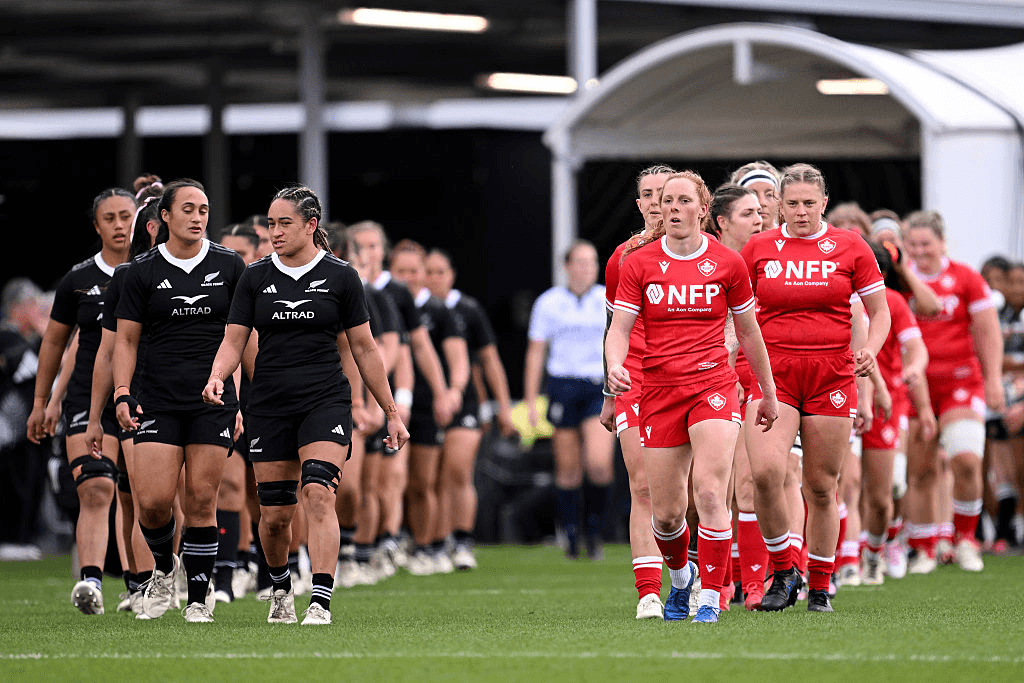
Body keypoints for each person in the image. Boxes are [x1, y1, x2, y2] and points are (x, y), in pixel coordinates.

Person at [204, 186, 408, 626]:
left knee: (318, 493)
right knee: (276, 516)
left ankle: (320, 600)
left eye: (284, 224)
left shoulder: (341, 276)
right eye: (271, 224)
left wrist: (390, 410)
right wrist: (218, 376)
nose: (274, 233)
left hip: (325, 401)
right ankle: (280, 589)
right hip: (270, 405)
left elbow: (365, 349)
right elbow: (234, 340)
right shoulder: (254, 278)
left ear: (311, 226)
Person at [607, 170, 778, 624]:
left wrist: (768, 391)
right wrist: (614, 368)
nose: (674, 208)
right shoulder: (638, 263)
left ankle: (709, 596)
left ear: (703, 209)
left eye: (683, 200)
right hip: (660, 390)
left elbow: (749, 332)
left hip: (713, 387)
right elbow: (618, 329)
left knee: (708, 489)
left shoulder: (727, 263)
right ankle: (682, 578)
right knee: (666, 514)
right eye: (667, 201)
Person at [741, 163, 890, 613]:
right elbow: (737, 310)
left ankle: (821, 585)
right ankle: (785, 569)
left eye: (809, 203)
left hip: (832, 376)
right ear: (778, 205)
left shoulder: (850, 247)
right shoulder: (758, 247)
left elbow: (878, 312)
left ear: (823, 203)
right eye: (792, 204)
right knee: (766, 473)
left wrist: (871, 352)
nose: (801, 212)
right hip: (774, 374)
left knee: (822, 486)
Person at [112, 179, 245, 623]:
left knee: (202, 500)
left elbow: (241, 338)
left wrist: (241, 398)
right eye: (188, 208)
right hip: (156, 399)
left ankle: (198, 599)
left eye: (204, 209)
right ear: (163, 217)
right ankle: (165, 571)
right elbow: (125, 342)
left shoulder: (231, 266)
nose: (198, 216)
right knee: (151, 502)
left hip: (212, 400)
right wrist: (122, 393)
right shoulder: (139, 272)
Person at [26, 187, 136, 615]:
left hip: (139, 394)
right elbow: (60, 343)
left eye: (125, 215)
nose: (119, 224)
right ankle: (91, 582)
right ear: (97, 226)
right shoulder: (78, 280)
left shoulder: (152, 272)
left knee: (141, 497)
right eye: (109, 218)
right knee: (95, 486)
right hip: (86, 398)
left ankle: (142, 584)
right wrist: (45, 401)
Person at [903, 210, 1003, 573]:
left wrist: (993, 380)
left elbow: (988, 331)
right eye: (912, 244)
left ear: (942, 243)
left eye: (926, 243)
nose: (920, 250)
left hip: (961, 382)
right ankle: (925, 547)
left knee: (966, 459)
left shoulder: (966, 278)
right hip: (915, 385)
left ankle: (965, 539)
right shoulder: (902, 280)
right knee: (922, 469)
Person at [84, 184, 164, 616]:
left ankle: (188, 582)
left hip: (191, 398)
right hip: (139, 398)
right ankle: (145, 586)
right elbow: (107, 352)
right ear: (154, 227)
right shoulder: (128, 279)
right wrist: (97, 414)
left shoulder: (216, 268)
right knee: (141, 498)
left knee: (185, 500)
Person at [598, 164, 674, 618]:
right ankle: (648, 591)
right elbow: (612, 327)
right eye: (646, 194)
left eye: (663, 193)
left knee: (689, 489)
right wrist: (609, 388)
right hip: (636, 379)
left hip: (689, 378)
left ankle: (695, 576)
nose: (654, 202)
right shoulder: (621, 258)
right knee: (643, 483)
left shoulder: (708, 253)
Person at [426, 247, 516, 571]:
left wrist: (503, 407)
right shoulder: (414, 309)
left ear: (451, 275)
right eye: (429, 271)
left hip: (463, 403)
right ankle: (434, 542)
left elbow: (490, 360)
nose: (434, 278)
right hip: (425, 405)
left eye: (440, 271)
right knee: (429, 479)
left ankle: (463, 541)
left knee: (458, 471)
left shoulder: (468, 310)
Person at [525, 240, 615, 560]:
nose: (586, 268)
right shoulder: (548, 303)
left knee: (599, 464)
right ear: (566, 266)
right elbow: (536, 351)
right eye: (579, 262)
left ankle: (595, 531)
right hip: (562, 384)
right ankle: (571, 535)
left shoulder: (607, 297)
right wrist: (531, 398)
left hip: (597, 385)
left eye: (591, 262)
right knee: (567, 469)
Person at [390, 240, 469, 574]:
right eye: (401, 271)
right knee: (393, 479)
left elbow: (457, 358)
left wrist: (449, 392)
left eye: (413, 271)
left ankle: (428, 546)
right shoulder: (381, 300)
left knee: (423, 481)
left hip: (422, 405)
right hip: (388, 400)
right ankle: (386, 543)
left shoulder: (438, 310)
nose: (408, 277)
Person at [858, 242, 935, 584]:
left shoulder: (893, 302)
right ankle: (834, 565)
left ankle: (876, 551)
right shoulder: (831, 295)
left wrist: (915, 369)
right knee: (838, 486)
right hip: (837, 398)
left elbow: (916, 348)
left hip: (884, 403)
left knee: (884, 493)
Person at [709, 182, 770, 610]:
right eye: (748, 213)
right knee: (717, 488)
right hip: (713, 380)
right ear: (723, 222)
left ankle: (755, 583)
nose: (760, 219)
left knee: (751, 481)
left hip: (759, 379)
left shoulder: (774, 260)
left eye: (760, 211)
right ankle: (720, 578)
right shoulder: (709, 262)